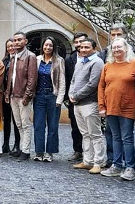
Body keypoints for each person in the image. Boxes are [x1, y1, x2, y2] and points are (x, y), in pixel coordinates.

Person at [98, 23, 135, 167]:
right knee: (115, 137)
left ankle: (130, 166)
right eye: (114, 47)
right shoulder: (107, 65)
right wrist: (101, 106)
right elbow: (101, 86)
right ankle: (116, 165)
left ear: (126, 48)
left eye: (120, 47)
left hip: (128, 107)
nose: (117, 49)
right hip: (111, 106)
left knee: (127, 138)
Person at [69, 38, 106, 174]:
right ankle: (87, 160)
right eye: (82, 47)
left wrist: (76, 95)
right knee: (85, 134)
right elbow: (73, 80)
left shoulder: (97, 62)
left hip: (90, 103)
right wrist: (71, 94)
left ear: (94, 49)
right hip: (77, 103)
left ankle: (98, 162)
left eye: (86, 47)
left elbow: (92, 84)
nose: (83, 49)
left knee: (95, 134)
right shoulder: (80, 62)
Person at [4, 32, 37, 161]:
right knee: (18, 124)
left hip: (23, 96)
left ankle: (26, 150)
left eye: (19, 40)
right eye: (15, 40)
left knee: (26, 124)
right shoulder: (14, 57)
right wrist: (8, 93)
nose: (17, 42)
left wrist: (27, 96)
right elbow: (10, 78)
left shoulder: (30, 57)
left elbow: (32, 78)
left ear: (25, 41)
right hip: (13, 95)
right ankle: (23, 148)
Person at [33, 36, 65, 162]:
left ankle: (49, 152)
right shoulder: (37, 60)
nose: (47, 47)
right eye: (46, 45)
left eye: (50, 45)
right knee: (38, 125)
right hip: (39, 96)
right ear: (42, 46)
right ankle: (39, 151)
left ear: (54, 47)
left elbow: (62, 81)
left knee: (52, 125)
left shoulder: (59, 61)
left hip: (53, 96)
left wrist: (59, 99)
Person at [64, 32, 87, 162]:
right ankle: (78, 151)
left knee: (89, 127)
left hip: (89, 98)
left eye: (81, 42)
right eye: (77, 42)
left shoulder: (95, 58)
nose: (79, 45)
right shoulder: (70, 59)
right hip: (73, 99)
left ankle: (90, 153)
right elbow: (67, 79)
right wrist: (67, 98)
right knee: (75, 126)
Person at [1, 38, 21, 154]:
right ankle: (5, 143)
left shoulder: (20, 60)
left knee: (16, 121)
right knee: (6, 120)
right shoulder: (4, 61)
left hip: (16, 94)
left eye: (12, 46)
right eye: (8, 46)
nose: (11, 48)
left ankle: (17, 144)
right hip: (6, 95)